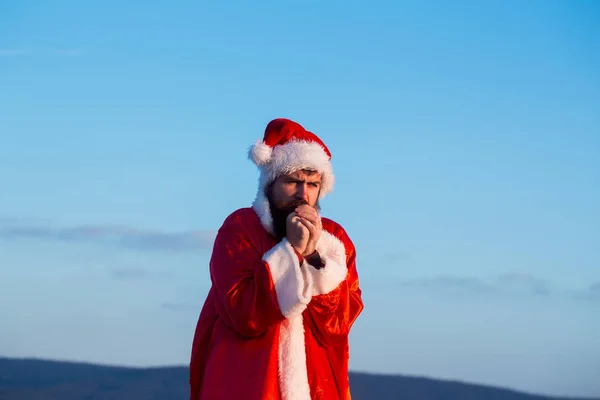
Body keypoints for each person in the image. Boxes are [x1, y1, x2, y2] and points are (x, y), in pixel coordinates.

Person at [189, 118, 364, 400]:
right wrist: (290, 250)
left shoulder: (334, 238)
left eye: (312, 184)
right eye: (292, 182)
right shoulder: (240, 228)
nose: (303, 194)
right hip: (247, 383)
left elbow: (338, 324)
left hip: (316, 385)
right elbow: (243, 313)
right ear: (271, 183)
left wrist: (311, 255)